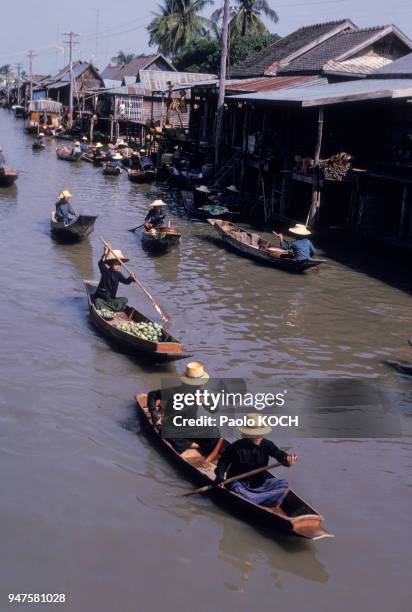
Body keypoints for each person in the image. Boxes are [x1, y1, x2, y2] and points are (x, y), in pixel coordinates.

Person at [214, 413, 297, 507]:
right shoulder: (237, 446)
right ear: (247, 434)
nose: (258, 436)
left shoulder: (267, 444)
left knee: (283, 483)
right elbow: (223, 462)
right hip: (239, 483)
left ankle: (256, 498)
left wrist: (287, 459)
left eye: (260, 433)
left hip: (259, 485)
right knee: (237, 489)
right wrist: (220, 477)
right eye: (255, 434)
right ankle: (261, 499)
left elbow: (278, 454)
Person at [147, 361, 222, 459]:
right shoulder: (173, 390)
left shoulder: (201, 394)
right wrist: (154, 414)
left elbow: (214, 410)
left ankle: (197, 447)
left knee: (215, 432)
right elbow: (152, 395)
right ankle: (197, 445)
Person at [94, 247, 136, 312]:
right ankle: (113, 308)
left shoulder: (118, 274)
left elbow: (126, 282)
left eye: (119, 264)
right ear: (111, 264)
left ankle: (110, 307)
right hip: (102, 298)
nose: (118, 266)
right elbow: (100, 263)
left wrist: (131, 278)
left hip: (111, 299)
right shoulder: (105, 271)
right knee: (97, 301)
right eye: (116, 264)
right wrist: (105, 252)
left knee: (124, 299)